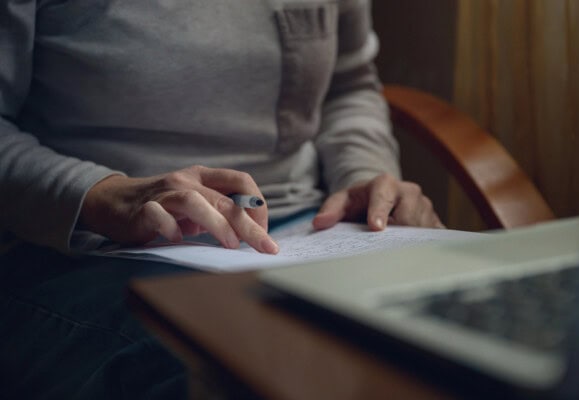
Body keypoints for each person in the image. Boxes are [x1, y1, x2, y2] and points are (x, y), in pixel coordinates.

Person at [0, 0, 442, 398]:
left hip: (314, 227)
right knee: (236, 369)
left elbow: (347, 86)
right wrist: (103, 196)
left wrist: (365, 177)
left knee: (451, 340)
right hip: (89, 248)